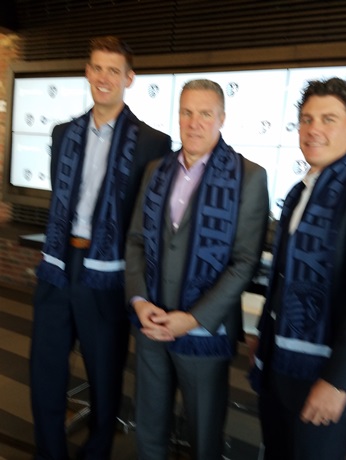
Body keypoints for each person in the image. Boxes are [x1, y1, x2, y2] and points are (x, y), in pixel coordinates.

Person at [30, 35, 171, 460]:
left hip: (107, 272)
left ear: (130, 78)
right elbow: (62, 195)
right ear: (87, 72)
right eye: (97, 67)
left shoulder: (152, 142)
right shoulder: (62, 134)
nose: (104, 77)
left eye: (114, 70)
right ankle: (49, 452)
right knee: (45, 371)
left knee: (105, 376)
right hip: (58, 264)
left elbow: (145, 220)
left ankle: (96, 453)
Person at [249, 77, 346, 460]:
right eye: (306, 119)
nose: (313, 129)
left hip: (323, 376)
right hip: (279, 367)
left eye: (328, 119)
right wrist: (264, 334)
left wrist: (338, 382)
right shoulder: (300, 192)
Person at [125, 78, 269, 460]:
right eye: (187, 112)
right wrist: (139, 302)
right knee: (149, 432)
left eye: (205, 113)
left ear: (222, 118)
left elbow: (244, 263)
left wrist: (193, 319)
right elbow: (136, 240)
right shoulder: (157, 169)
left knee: (204, 438)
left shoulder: (249, 177)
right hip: (151, 324)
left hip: (205, 333)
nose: (194, 122)